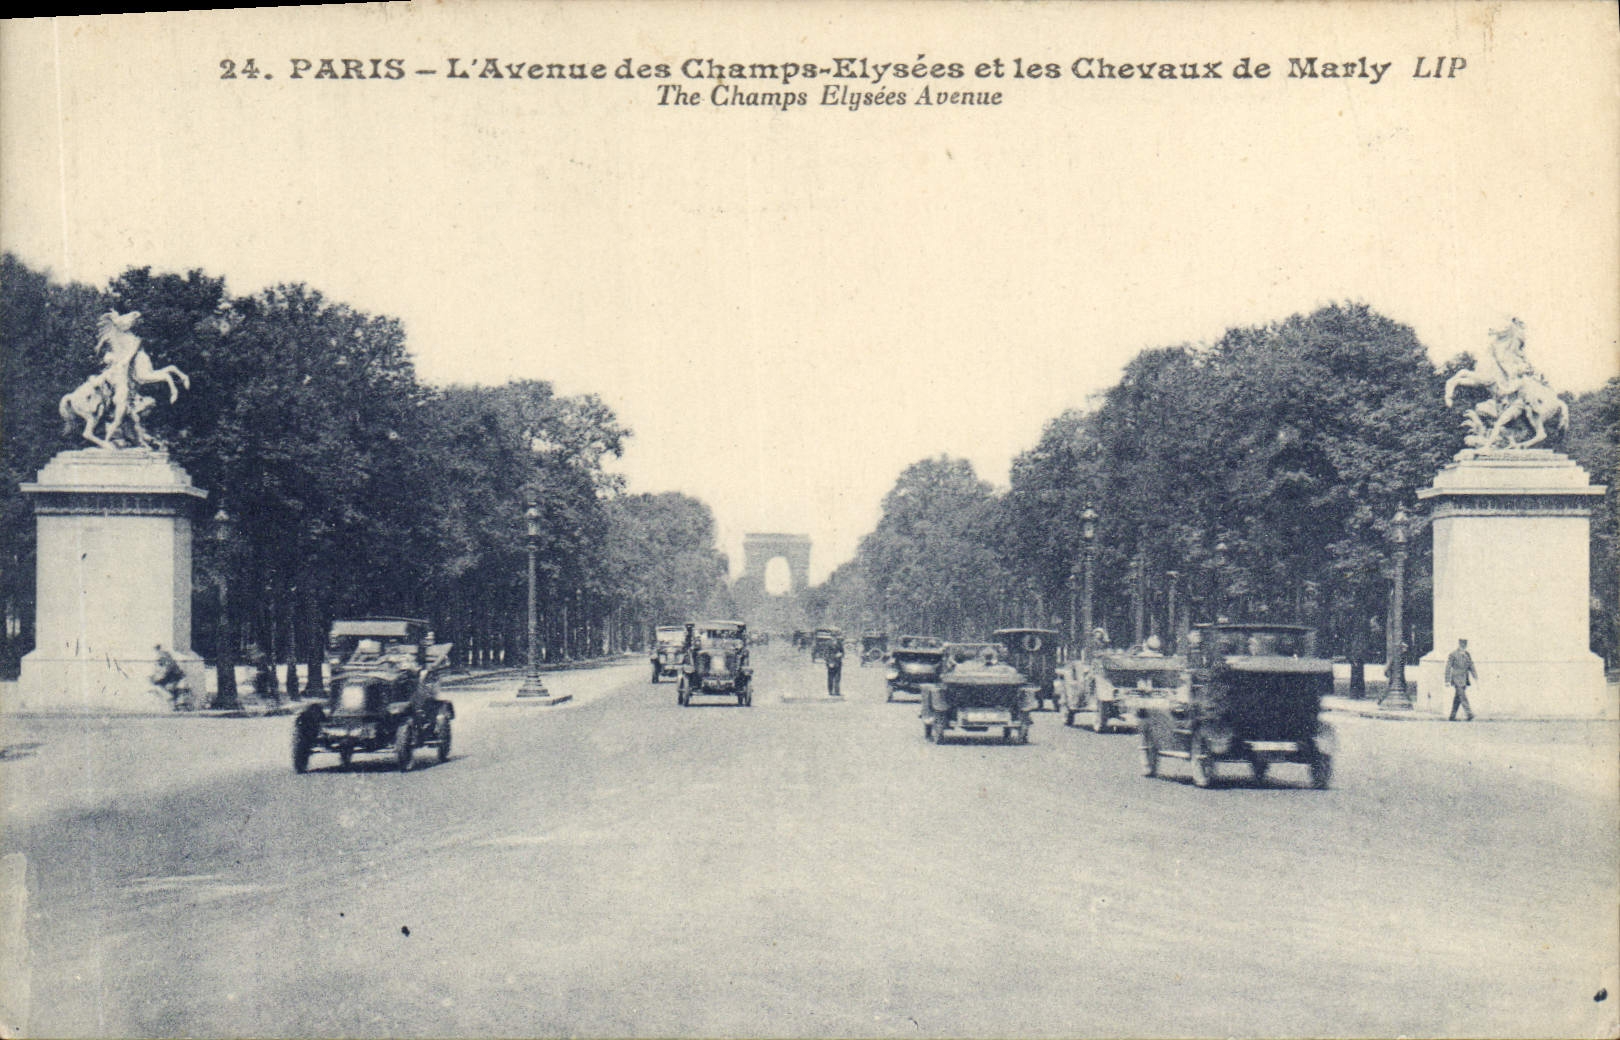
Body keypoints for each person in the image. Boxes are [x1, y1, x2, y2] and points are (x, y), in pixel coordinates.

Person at [1445, 638, 1477, 721]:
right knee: (1462, 696)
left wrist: (1475, 676)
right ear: (1459, 644)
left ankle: (1452, 716)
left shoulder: (1467, 654)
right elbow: (1448, 667)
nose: (1464, 646)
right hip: (1456, 679)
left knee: (1458, 698)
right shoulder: (1453, 654)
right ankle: (1469, 714)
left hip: (1464, 679)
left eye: (1465, 644)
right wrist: (1447, 680)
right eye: (1462, 644)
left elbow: (1471, 665)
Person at [151, 644, 190, 710]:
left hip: (174, 676)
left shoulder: (163, 655)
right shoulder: (164, 655)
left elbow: (168, 668)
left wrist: (160, 677)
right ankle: (175, 704)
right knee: (166, 689)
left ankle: (176, 704)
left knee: (169, 690)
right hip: (173, 676)